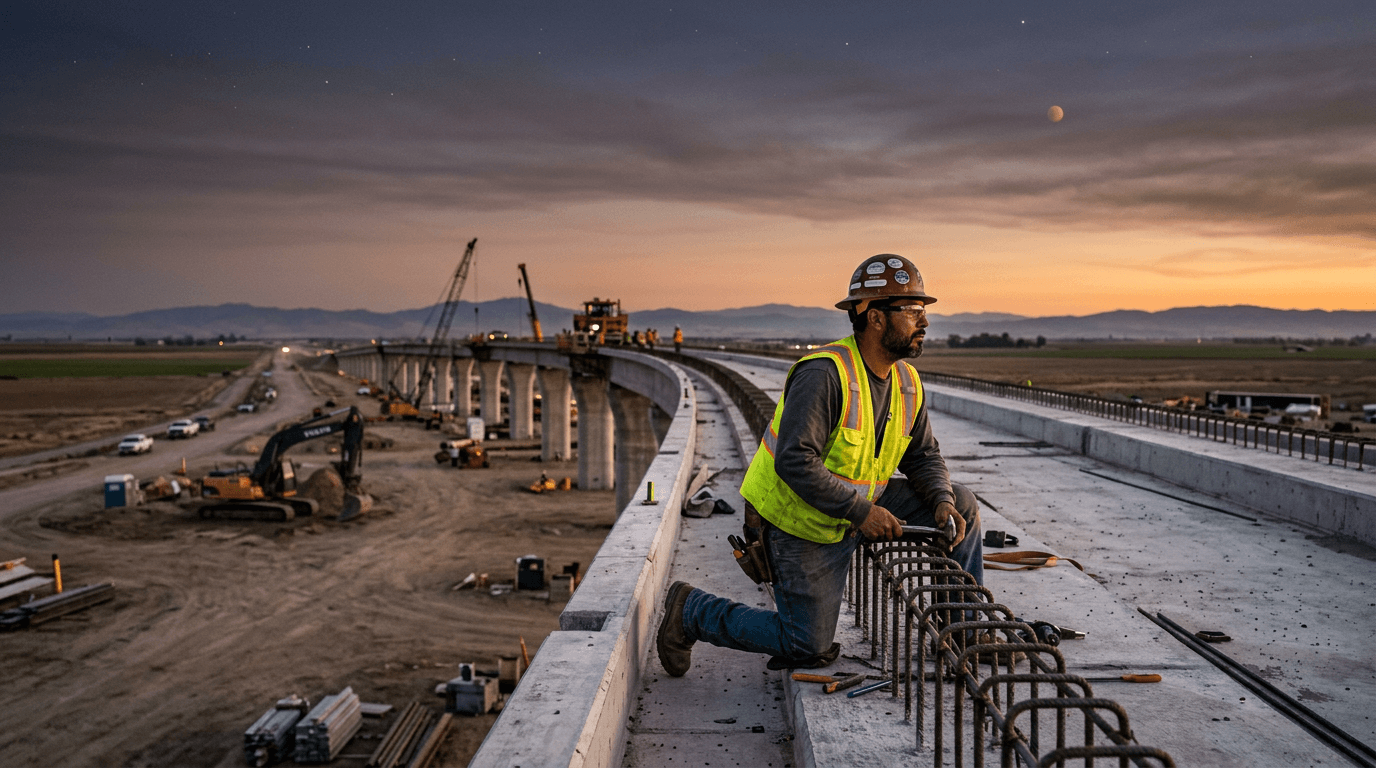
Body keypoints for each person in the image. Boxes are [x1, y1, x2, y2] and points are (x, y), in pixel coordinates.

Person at [657, 254, 983, 674]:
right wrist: (861, 512)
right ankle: (692, 611)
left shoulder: (905, 382)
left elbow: (922, 455)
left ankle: (965, 633)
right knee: (806, 643)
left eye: (924, 311)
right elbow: (794, 461)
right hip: (799, 520)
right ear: (875, 318)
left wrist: (939, 499)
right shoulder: (825, 374)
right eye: (912, 311)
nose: (924, 322)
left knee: (963, 503)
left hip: (856, 508)